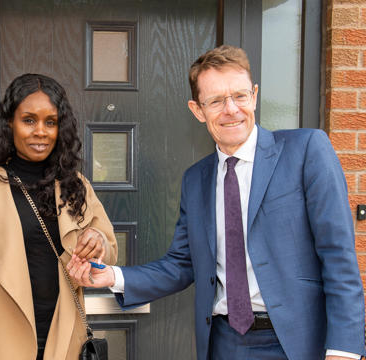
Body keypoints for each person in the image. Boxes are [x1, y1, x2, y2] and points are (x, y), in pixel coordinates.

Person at [68, 45, 365, 360]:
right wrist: (113, 276)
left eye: (239, 96)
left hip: (297, 344)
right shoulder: (196, 180)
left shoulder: (306, 151)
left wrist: (343, 351)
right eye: (216, 101)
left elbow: (339, 258)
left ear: (254, 95)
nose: (231, 109)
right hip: (224, 345)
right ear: (197, 110)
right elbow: (181, 265)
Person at [0, 73, 118, 360]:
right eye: (29, 120)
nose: (41, 131)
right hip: (1, 351)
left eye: (51, 122)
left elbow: (108, 255)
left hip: (67, 347)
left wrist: (98, 241)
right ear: (9, 123)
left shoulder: (76, 186)